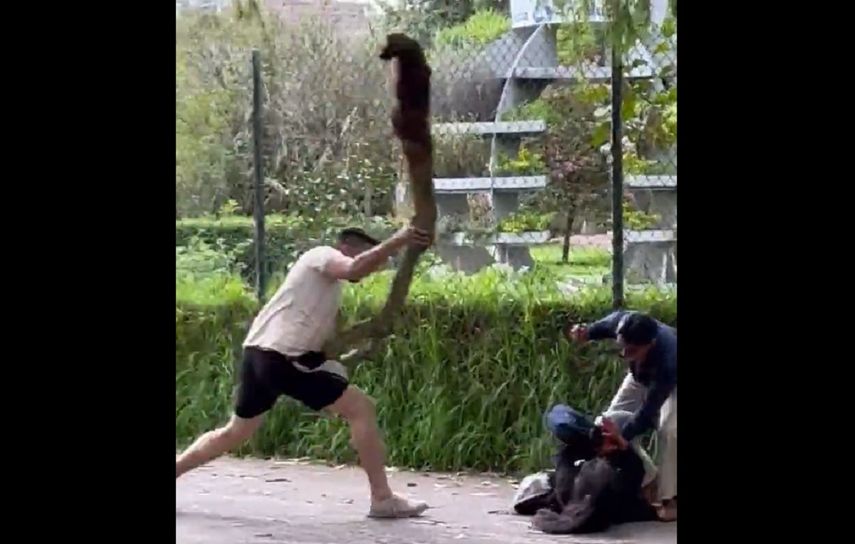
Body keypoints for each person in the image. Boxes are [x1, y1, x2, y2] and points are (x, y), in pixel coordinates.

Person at [176, 225, 432, 519]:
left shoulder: (323, 291)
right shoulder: (322, 255)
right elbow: (355, 268)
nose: (371, 271)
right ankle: (382, 498)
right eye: (369, 258)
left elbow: (323, 345)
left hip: (259, 354)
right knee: (361, 409)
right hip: (280, 357)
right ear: (348, 248)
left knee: (235, 432)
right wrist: (400, 239)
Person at [565, 311, 677, 521]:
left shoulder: (669, 359)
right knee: (606, 424)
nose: (624, 354)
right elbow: (603, 324)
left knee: (670, 430)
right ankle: (648, 479)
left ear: (650, 343)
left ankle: (670, 498)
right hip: (641, 373)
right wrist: (586, 333)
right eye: (622, 346)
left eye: (632, 350)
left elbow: (648, 410)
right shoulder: (622, 322)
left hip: (671, 382)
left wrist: (623, 436)